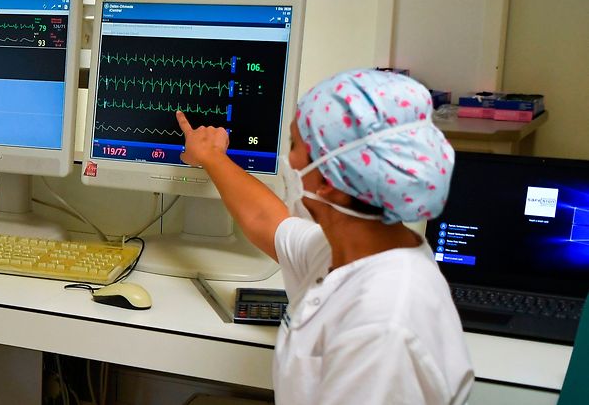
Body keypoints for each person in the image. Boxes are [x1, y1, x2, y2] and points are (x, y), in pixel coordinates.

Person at [175, 69, 473, 404]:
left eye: (294, 146)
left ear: (329, 180)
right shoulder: (347, 248)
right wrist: (212, 156)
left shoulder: (384, 323)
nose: (288, 161)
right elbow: (264, 219)